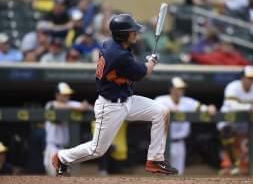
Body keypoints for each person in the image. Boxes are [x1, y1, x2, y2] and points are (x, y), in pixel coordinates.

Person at [51, 14, 178, 176]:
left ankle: (155, 159)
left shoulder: (111, 45)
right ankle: (61, 157)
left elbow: (130, 66)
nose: (136, 34)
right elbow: (143, 72)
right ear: (123, 34)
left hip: (127, 100)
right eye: (133, 31)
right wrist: (152, 61)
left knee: (161, 111)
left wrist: (144, 63)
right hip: (110, 106)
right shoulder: (119, 55)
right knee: (97, 149)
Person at [155, 77, 216, 175]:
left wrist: (210, 108)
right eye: (178, 88)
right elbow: (153, 110)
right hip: (163, 143)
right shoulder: (161, 100)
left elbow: (203, 108)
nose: (180, 91)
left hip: (180, 143)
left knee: (178, 174)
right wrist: (166, 110)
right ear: (171, 89)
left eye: (182, 89)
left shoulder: (188, 102)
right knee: (163, 175)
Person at [219, 66, 253, 175]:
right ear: (242, 78)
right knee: (226, 131)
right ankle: (233, 164)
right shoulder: (233, 86)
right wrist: (250, 107)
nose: (251, 81)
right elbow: (231, 105)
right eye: (248, 78)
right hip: (230, 118)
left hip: (246, 119)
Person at [44, 82, 92, 176]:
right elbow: (56, 107)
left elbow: (89, 107)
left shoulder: (71, 103)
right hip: (52, 148)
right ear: (57, 95)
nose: (67, 96)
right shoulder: (50, 104)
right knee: (54, 176)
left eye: (68, 94)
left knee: (66, 176)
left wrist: (84, 105)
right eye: (64, 94)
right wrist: (77, 108)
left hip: (65, 149)